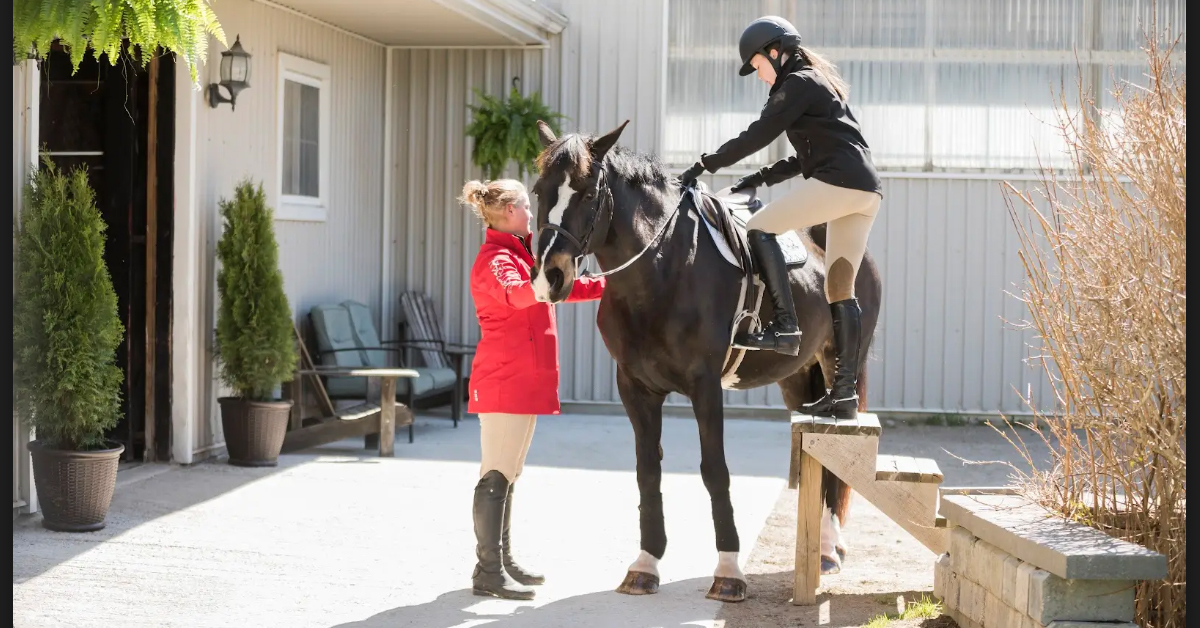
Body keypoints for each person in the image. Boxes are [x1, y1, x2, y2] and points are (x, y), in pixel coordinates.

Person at [678, 15, 883, 420]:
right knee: (840, 290)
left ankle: (786, 326)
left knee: (758, 227)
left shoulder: (798, 83)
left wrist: (705, 164)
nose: (759, 75)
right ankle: (843, 395)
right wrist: (757, 177)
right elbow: (803, 157)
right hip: (865, 193)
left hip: (841, 186)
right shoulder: (819, 86)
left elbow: (759, 133)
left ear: (775, 51)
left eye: (757, 66)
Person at [459, 178, 606, 600]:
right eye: (526, 207)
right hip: (504, 381)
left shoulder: (518, 253)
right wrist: (544, 283)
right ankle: (487, 570)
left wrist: (606, 285)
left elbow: (554, 289)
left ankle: (501, 560)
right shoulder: (496, 258)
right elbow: (518, 295)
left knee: (509, 474)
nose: (532, 215)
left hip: (522, 380)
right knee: (495, 474)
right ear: (508, 212)